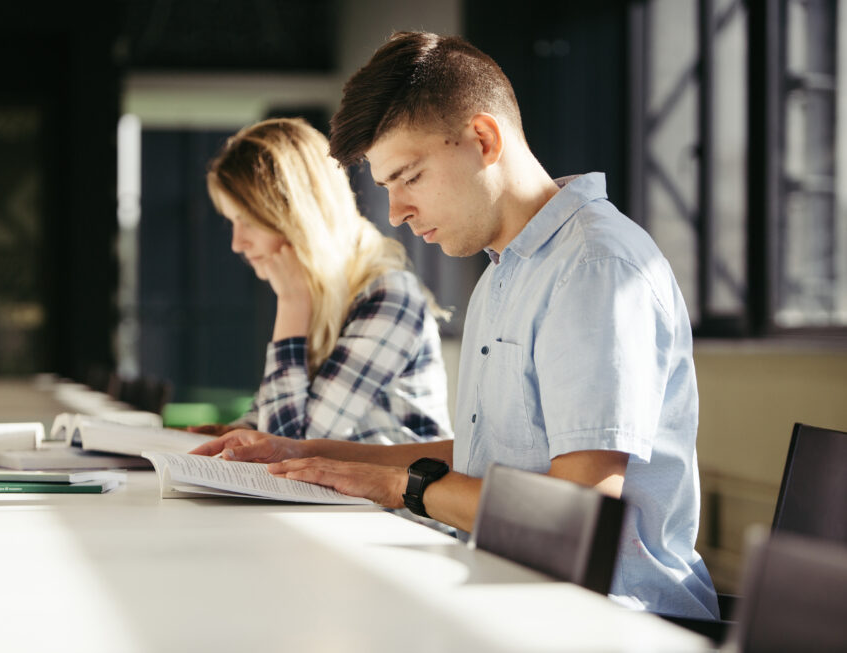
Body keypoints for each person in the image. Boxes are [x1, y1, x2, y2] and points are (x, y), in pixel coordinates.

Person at [193, 32, 719, 619]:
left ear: (484, 139)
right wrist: (303, 450)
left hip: (607, 617)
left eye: (410, 177)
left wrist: (401, 487)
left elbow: (577, 511)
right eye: (386, 188)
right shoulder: (505, 271)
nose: (395, 213)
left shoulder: (595, 268)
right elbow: (484, 455)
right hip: (503, 580)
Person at [195, 117, 452, 445]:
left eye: (247, 220)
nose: (237, 243)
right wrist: (226, 433)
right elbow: (269, 418)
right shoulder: (321, 296)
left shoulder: (389, 296)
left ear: (294, 214)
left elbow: (290, 446)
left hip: (394, 498)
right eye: (232, 222)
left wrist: (292, 306)